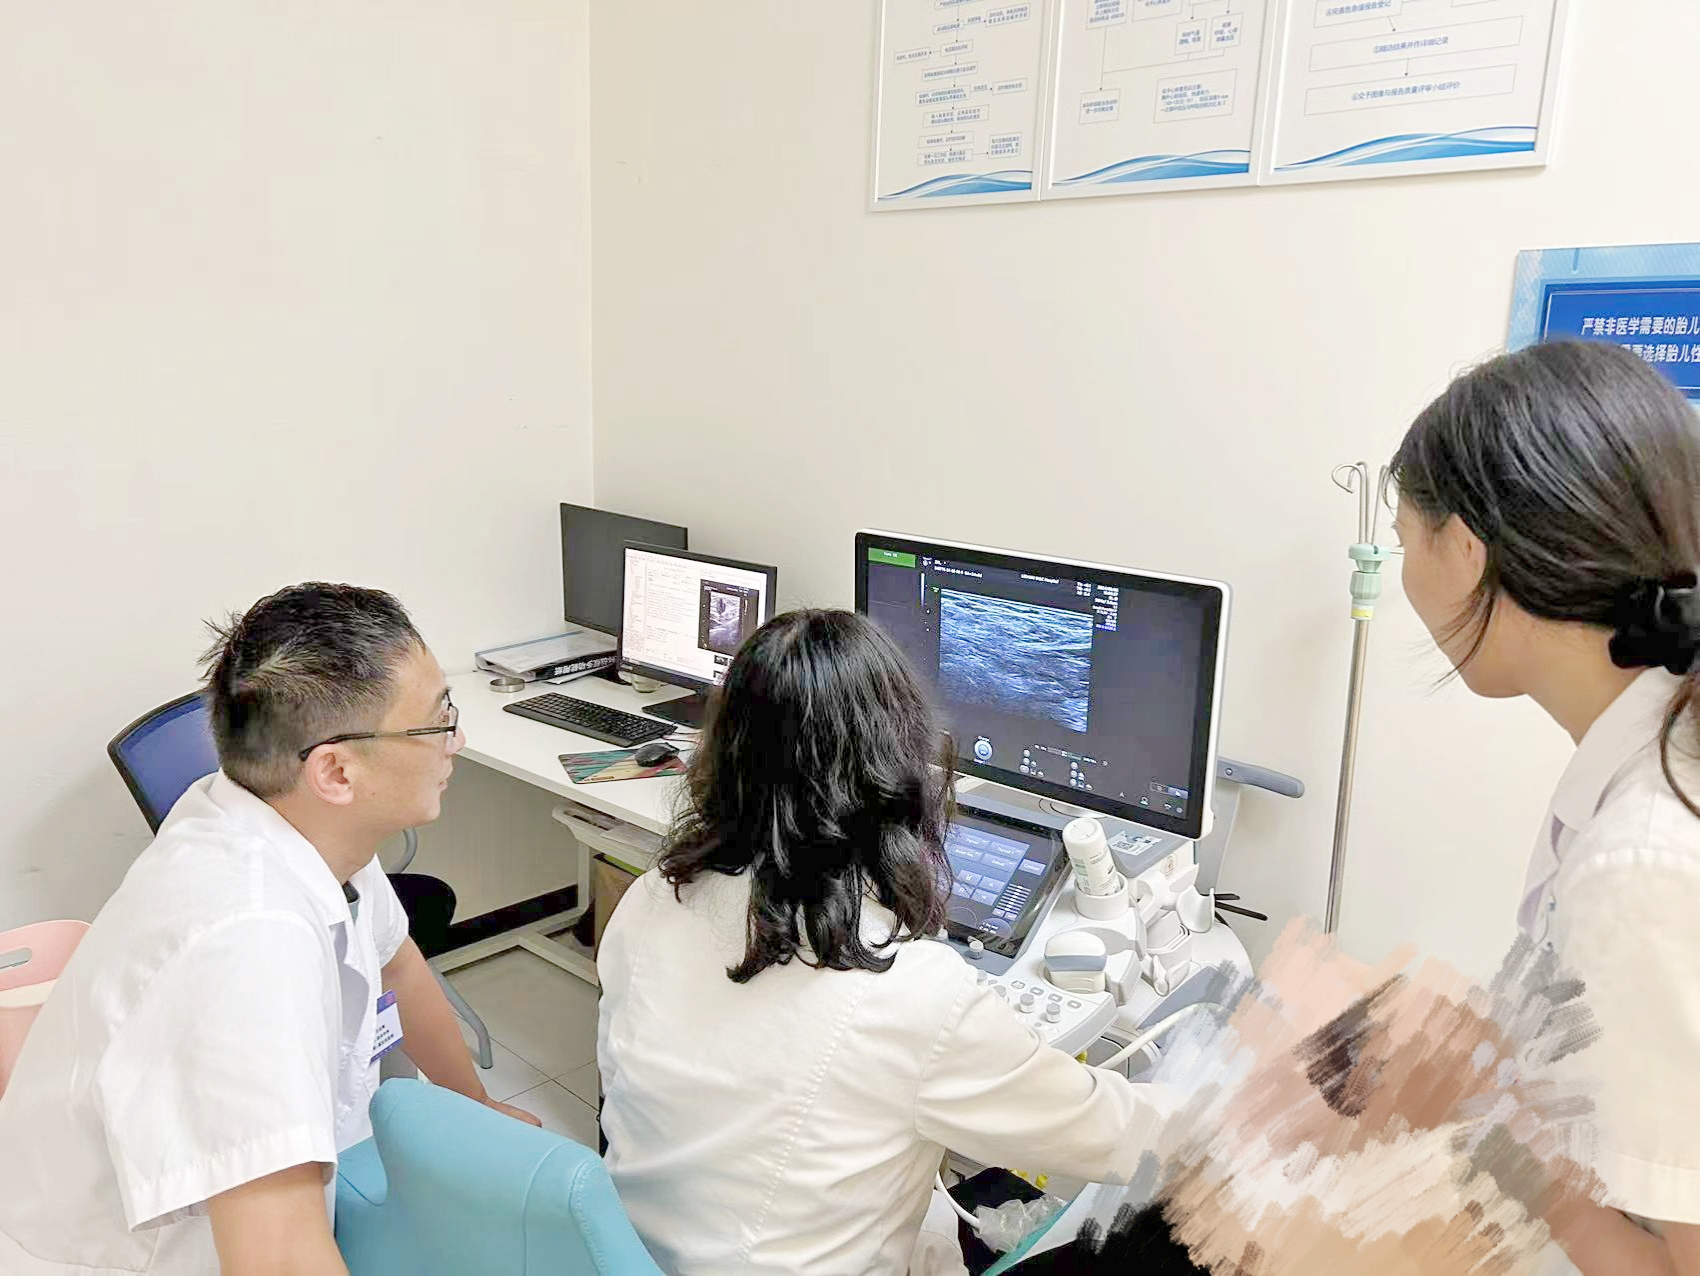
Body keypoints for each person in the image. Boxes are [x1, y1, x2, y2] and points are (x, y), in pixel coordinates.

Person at [595, 609, 1179, 1276]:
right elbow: (1117, 1137)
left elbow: (623, 1085)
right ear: (892, 770)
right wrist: (1228, 1093)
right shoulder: (910, 991)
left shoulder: (652, 900)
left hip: (637, 1256)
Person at [0, 583, 537, 1276]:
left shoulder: (301, 823)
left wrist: (477, 1106)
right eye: (436, 723)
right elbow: (279, 1256)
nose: (455, 741)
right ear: (336, 771)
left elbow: (397, 963)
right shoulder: (245, 943)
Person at [1390, 339, 1700, 1275]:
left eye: (1403, 540)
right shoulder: (1650, 756)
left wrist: (1502, 1142)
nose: (1403, 571)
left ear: (1467, 552)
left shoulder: (1643, 860)